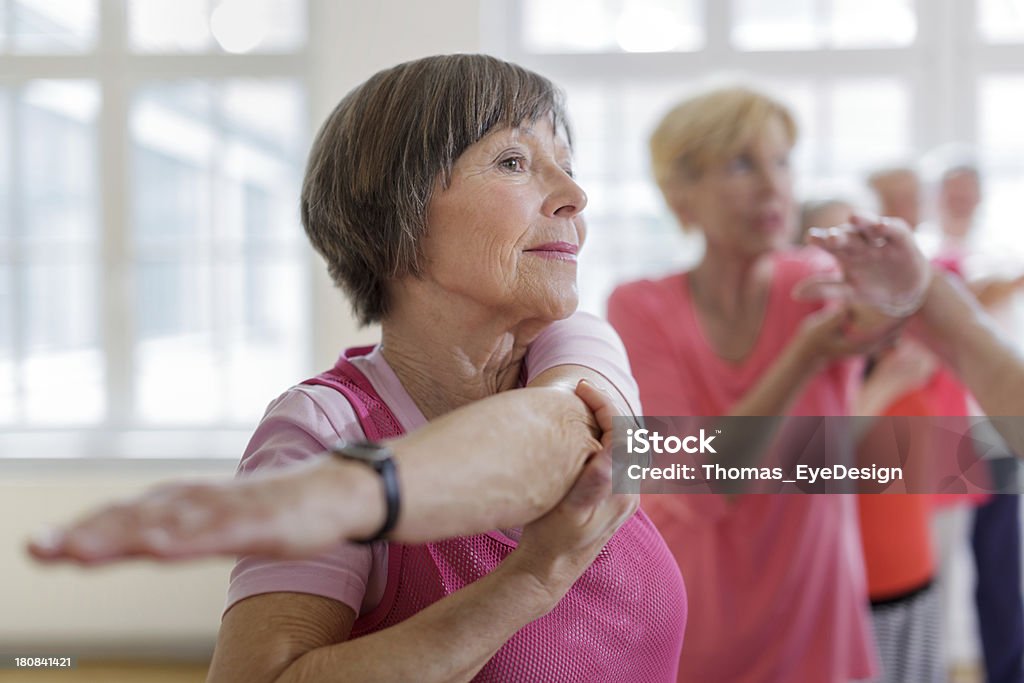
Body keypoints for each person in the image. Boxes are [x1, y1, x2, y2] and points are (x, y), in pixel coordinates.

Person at [35, 54, 688, 683]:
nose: (575, 195)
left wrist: (354, 493)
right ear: (394, 215)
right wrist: (528, 582)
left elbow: (561, 427)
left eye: (567, 166)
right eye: (514, 161)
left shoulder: (574, 343)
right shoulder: (318, 432)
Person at [607, 86, 896, 683]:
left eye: (782, 161)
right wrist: (805, 354)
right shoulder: (640, 307)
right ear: (680, 194)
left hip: (815, 621)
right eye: (742, 164)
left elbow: (889, 313)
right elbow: (705, 481)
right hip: (693, 623)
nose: (773, 185)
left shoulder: (817, 281)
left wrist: (893, 280)